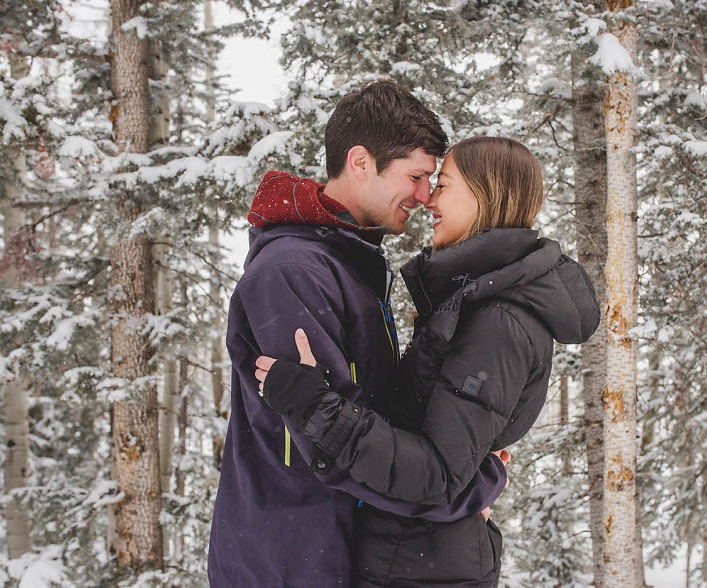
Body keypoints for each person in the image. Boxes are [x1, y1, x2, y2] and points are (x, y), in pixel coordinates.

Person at [256, 136, 601, 587]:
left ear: (485, 195)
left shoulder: (498, 320)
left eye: (443, 185)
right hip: (413, 555)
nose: (429, 199)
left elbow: (438, 475)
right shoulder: (476, 300)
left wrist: (317, 409)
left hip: (424, 568)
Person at [207, 82, 509, 587]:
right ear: (361, 161)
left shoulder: (349, 265)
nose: (422, 195)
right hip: (292, 564)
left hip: (333, 552)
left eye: (431, 180)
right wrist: (462, 494)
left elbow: (371, 418)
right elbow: (334, 449)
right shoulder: (294, 274)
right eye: (415, 176)